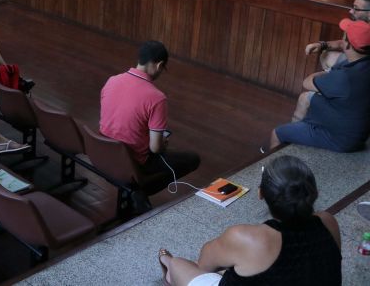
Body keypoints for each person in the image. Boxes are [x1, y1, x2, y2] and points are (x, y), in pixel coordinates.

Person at [158, 155, 341, 286]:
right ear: (313, 193)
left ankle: (168, 267)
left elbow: (205, 264)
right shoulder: (328, 221)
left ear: (261, 193)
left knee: (178, 264)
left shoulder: (247, 237)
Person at [99, 40, 200, 189]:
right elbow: (155, 148)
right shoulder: (157, 98)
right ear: (159, 65)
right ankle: (139, 192)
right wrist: (162, 144)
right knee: (192, 159)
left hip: (104, 155)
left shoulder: (112, 81)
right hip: (134, 164)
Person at [270, 18, 370, 152]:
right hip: (357, 126)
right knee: (306, 98)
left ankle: (269, 165)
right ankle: (297, 135)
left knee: (277, 133)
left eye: (344, 38)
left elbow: (307, 82)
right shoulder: (362, 64)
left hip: (340, 139)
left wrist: (326, 73)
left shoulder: (344, 77)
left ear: (347, 45)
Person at [304, 0, 370, 71]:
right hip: (359, 63)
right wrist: (322, 45)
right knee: (326, 55)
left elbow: (308, 83)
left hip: (362, 70)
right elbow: (344, 43)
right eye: (353, 7)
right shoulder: (359, 25)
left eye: (356, 8)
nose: (351, 11)